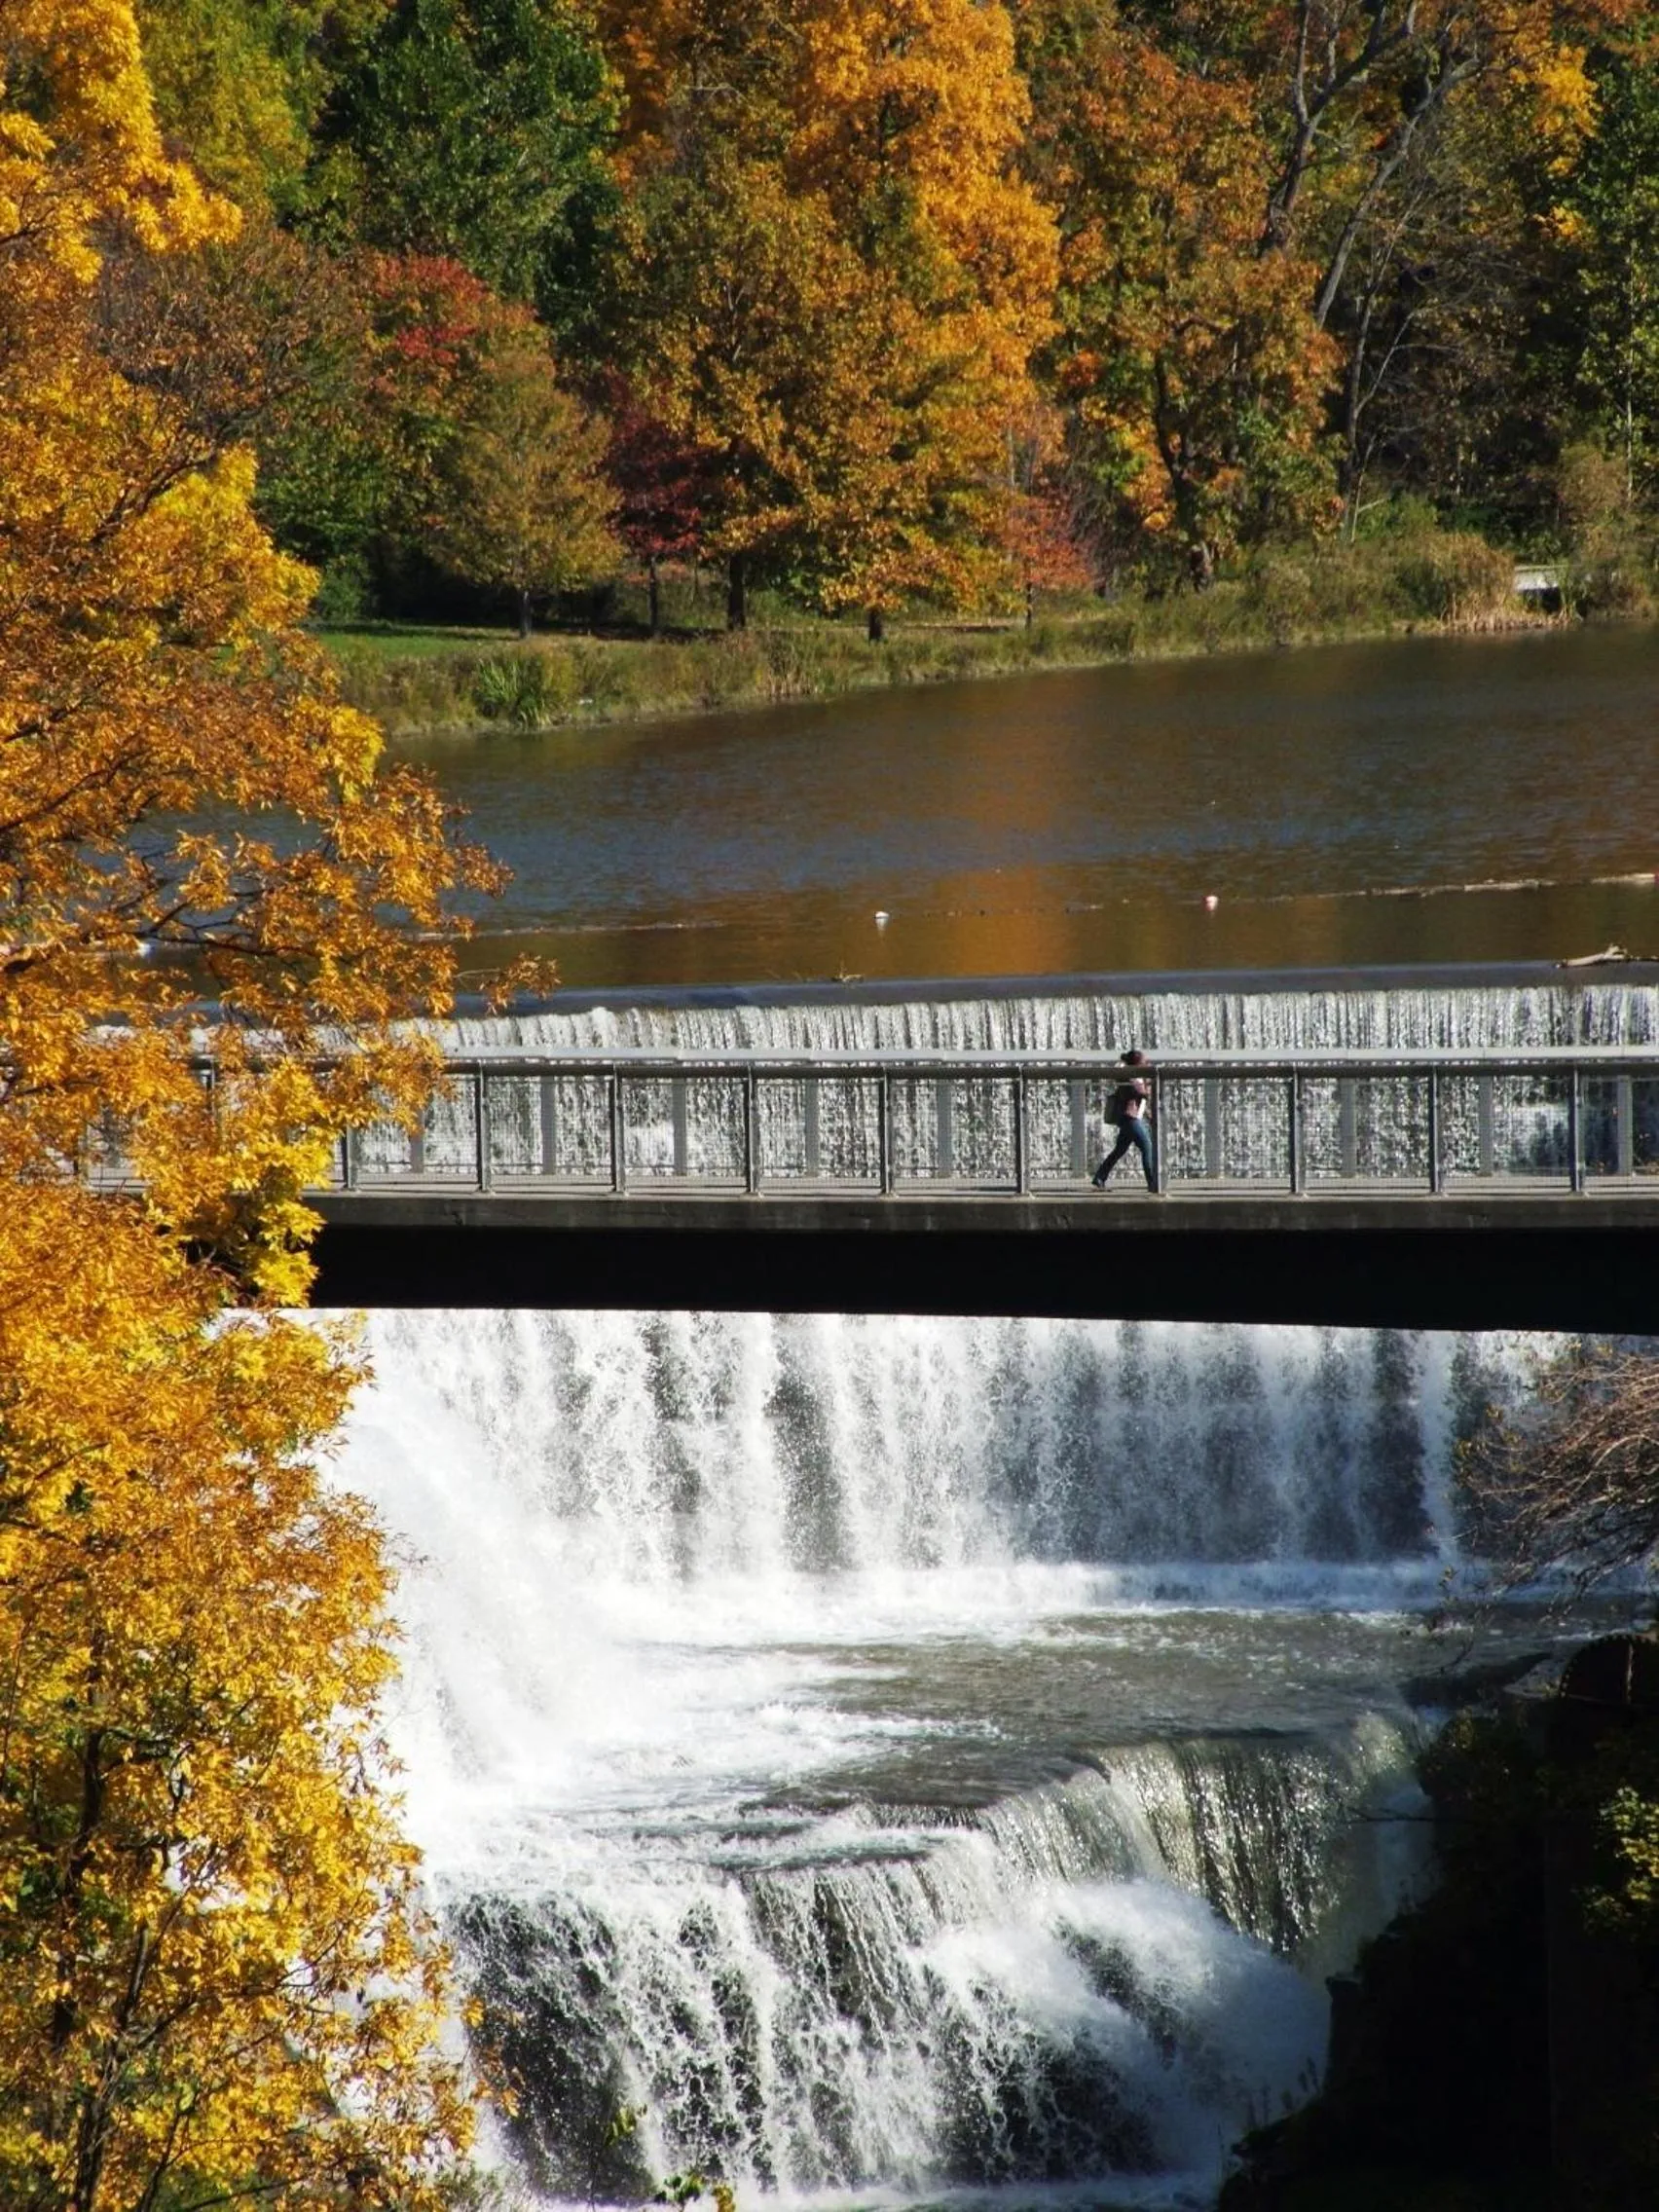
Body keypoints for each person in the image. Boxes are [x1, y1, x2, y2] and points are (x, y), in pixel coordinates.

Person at [1091, 1050, 1156, 1191]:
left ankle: (1099, 1178)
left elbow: (1143, 1099)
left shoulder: (1140, 1077)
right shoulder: (1127, 1077)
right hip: (1129, 1118)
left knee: (1119, 1150)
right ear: (1137, 1064)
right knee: (1147, 1147)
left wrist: (1148, 1113)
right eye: (1144, 1062)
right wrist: (1146, 1089)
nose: (1147, 1063)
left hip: (1133, 1118)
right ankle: (1153, 1183)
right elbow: (1136, 1093)